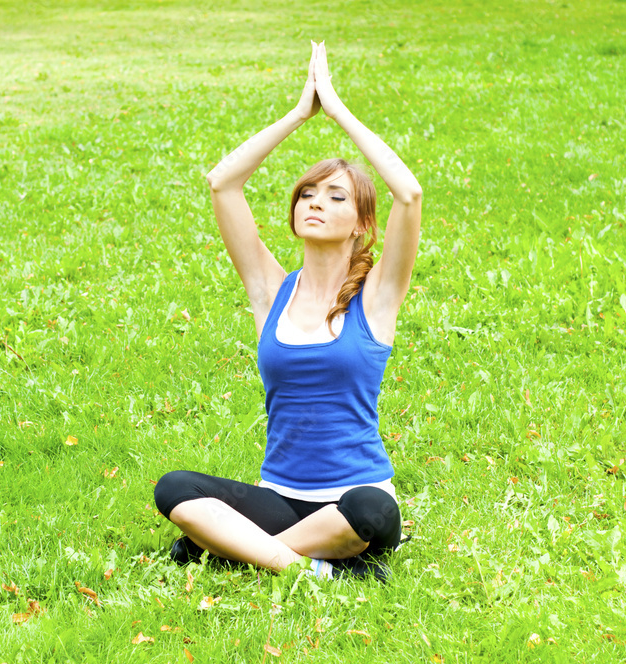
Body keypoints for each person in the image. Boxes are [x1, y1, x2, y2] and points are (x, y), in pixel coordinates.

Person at [153, 42, 422, 580]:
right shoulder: (271, 291)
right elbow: (222, 182)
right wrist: (300, 113)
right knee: (175, 488)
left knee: (375, 512)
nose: (316, 202)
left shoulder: (377, 297)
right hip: (281, 499)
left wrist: (338, 109)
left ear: (362, 225)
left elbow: (409, 195)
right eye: (308, 194)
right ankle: (312, 568)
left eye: (336, 197)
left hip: (351, 501)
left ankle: (234, 549)